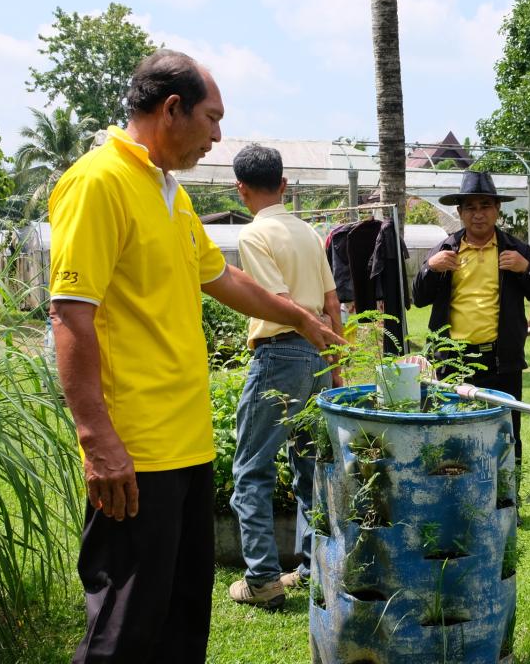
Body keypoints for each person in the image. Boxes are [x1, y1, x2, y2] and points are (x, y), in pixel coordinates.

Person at [49, 50, 344, 661]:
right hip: (137, 446)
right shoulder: (97, 181)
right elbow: (70, 313)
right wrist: (97, 439)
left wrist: (300, 318)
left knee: (181, 622)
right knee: (124, 628)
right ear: (172, 108)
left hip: (187, 441)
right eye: (212, 119)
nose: (218, 136)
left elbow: (221, 279)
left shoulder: (170, 194)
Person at [226, 144, 344, 609]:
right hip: (318, 357)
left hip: (279, 355)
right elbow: (332, 305)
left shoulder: (255, 235)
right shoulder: (311, 234)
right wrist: (335, 364)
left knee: (251, 471)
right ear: (285, 185)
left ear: (240, 190)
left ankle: (262, 580)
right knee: (310, 467)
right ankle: (315, 569)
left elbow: (279, 304)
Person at [412, 171, 530, 464]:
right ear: (459, 212)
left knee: (506, 434)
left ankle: (506, 504)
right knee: (450, 432)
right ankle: (460, 502)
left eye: (485, 206)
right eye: (471, 208)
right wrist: (430, 268)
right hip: (454, 361)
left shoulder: (514, 250)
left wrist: (525, 268)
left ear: (497, 209)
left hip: (502, 362)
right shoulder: (446, 249)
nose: (478, 215)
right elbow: (419, 298)